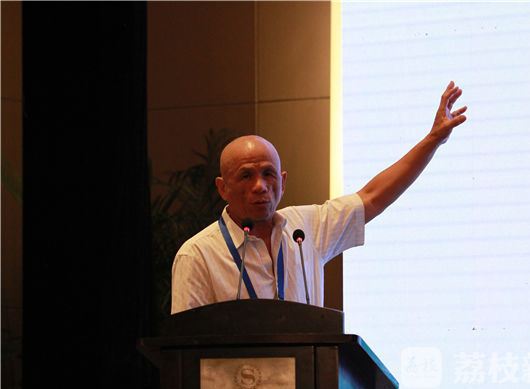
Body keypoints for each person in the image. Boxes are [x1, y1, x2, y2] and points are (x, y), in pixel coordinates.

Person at [171, 81, 467, 314]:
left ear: (282, 182)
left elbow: (373, 197)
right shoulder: (197, 255)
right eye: (246, 176)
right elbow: (184, 350)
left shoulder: (305, 229)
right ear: (223, 187)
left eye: (268, 174)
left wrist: (433, 140)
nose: (260, 186)